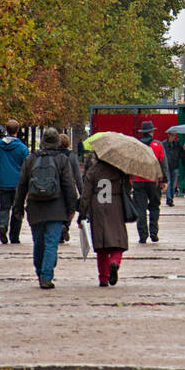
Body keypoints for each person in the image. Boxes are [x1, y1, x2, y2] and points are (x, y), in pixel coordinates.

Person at [13, 126, 78, 288]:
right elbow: (69, 186)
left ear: (42, 141)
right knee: (51, 243)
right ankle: (46, 275)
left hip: (35, 208)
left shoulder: (31, 159)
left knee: (38, 242)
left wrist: (18, 207)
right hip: (56, 208)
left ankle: (39, 270)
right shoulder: (62, 160)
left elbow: (21, 185)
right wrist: (72, 209)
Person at [77, 156, 130, 287]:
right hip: (116, 206)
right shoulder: (119, 169)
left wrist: (82, 214)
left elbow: (86, 194)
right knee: (118, 242)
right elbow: (128, 189)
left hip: (98, 207)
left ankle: (103, 278)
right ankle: (115, 262)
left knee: (101, 246)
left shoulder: (93, 171)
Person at [0, 120, 29, 244]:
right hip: (18, 184)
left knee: (4, 207)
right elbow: (27, 167)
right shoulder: (22, 148)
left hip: (3, 182)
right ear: (17, 130)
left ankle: (3, 224)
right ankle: (14, 236)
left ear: (6, 129)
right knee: (17, 209)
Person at [131, 122, 166, 243]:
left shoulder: (136, 145)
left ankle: (143, 235)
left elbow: (131, 163)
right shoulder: (158, 145)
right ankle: (154, 232)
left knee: (140, 208)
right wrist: (164, 180)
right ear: (152, 132)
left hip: (139, 180)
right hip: (153, 180)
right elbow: (163, 163)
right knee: (154, 206)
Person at [58, 134, 84, 242]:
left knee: (58, 209)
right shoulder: (71, 156)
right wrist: (82, 192)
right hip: (69, 187)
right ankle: (66, 225)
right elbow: (78, 175)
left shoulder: (54, 155)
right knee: (71, 209)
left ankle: (59, 227)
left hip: (56, 188)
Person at [164, 134, 182, 205]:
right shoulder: (164, 144)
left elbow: (181, 154)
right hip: (167, 166)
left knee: (174, 184)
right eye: (172, 135)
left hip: (175, 166)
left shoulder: (177, 145)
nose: (173, 137)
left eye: (174, 135)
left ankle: (171, 196)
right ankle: (169, 198)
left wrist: (184, 149)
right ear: (168, 135)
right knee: (168, 182)